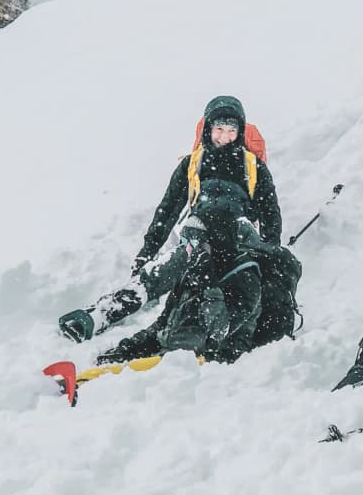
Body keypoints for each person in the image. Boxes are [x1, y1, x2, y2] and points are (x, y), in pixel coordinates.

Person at [59, 94, 282, 343]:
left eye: (231, 130)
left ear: (240, 132)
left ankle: (212, 327)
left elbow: (271, 213)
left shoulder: (254, 167)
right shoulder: (191, 164)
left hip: (238, 232)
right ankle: (100, 315)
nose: (224, 136)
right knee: (179, 259)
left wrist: (270, 252)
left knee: (211, 260)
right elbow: (167, 211)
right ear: (208, 129)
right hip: (200, 232)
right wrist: (147, 253)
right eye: (219, 129)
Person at [93, 179, 264, 365]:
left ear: (214, 242)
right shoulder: (191, 272)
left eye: (192, 244)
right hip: (172, 360)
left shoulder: (245, 277)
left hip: (213, 372)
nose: (187, 250)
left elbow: (217, 334)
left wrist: (208, 284)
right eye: (184, 243)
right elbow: (162, 326)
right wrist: (127, 349)